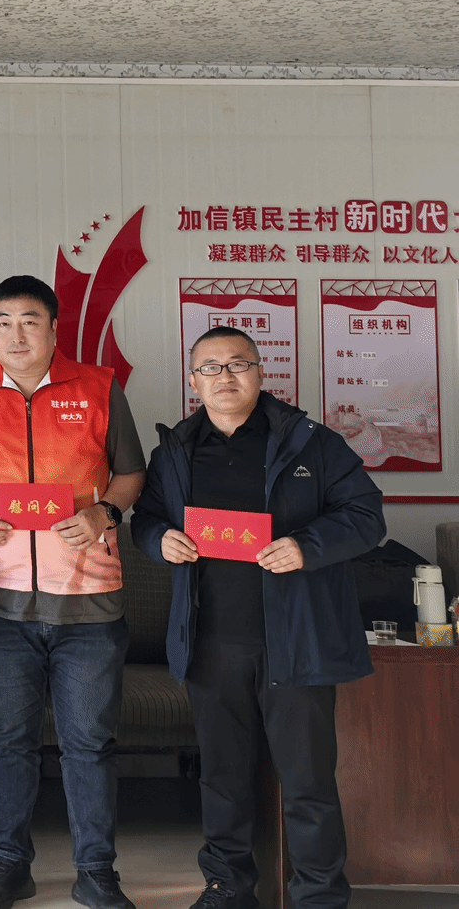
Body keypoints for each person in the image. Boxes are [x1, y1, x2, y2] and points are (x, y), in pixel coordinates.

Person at [132, 327, 384, 909]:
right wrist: (159, 540)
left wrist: (306, 547)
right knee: (222, 777)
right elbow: (145, 518)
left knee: (307, 780)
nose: (224, 376)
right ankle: (228, 887)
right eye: (210, 367)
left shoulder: (310, 442)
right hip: (210, 639)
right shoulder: (174, 451)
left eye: (237, 364)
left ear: (260, 372)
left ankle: (319, 895)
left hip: (295, 640)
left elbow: (368, 515)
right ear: (193, 381)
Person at [0, 276, 145, 909]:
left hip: (89, 600)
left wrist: (105, 514)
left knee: (89, 744)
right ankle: (9, 865)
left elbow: (131, 471)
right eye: (2, 322)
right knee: (8, 742)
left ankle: (97, 871)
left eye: (29, 321)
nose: (16, 334)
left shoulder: (99, 387)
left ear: (54, 328)